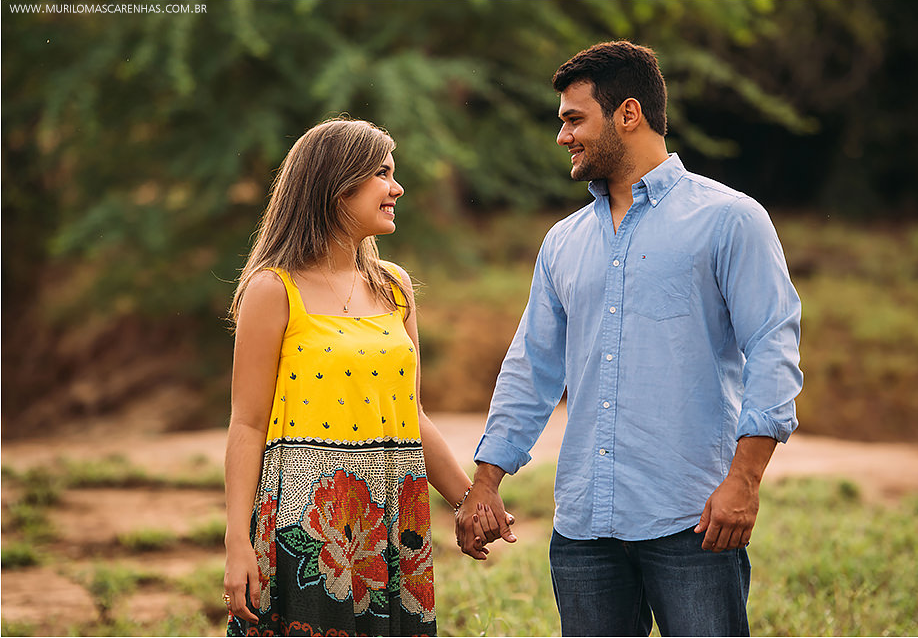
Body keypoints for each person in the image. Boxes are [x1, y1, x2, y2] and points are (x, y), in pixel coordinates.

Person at [455, 41, 803, 636]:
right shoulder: (562, 242)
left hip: (692, 519)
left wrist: (744, 481)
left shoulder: (729, 219)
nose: (562, 135)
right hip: (584, 530)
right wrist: (485, 481)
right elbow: (532, 367)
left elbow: (773, 345)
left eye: (573, 118)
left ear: (628, 114)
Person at [223, 117, 492, 637]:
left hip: (391, 519)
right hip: (306, 524)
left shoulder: (394, 287)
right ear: (337, 185)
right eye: (382, 173)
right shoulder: (273, 290)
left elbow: (411, 413)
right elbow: (247, 424)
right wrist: (237, 543)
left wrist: (469, 499)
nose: (398, 188)